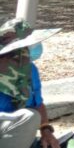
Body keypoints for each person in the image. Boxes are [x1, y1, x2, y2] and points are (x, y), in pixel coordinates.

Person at [0, 18, 59, 148]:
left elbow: (37, 104)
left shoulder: (31, 70)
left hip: (14, 129)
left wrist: (46, 130)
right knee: (29, 116)